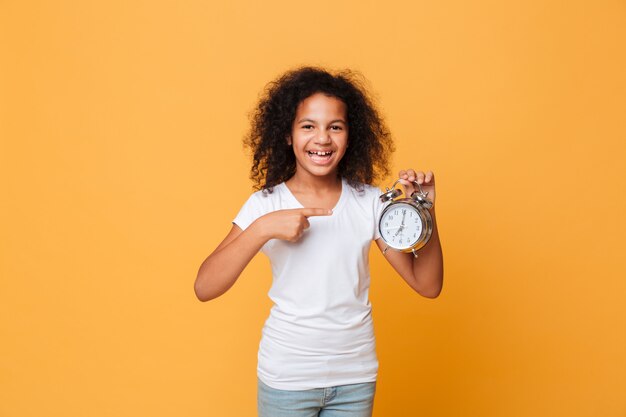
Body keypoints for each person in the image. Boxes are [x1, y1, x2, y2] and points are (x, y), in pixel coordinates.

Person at [194, 67, 443, 417]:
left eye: (335, 127)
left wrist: (424, 211)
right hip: (287, 378)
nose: (322, 139)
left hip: (355, 377)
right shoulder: (265, 205)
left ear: (350, 136)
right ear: (287, 135)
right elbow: (205, 286)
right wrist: (262, 228)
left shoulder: (370, 202)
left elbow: (427, 284)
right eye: (308, 126)